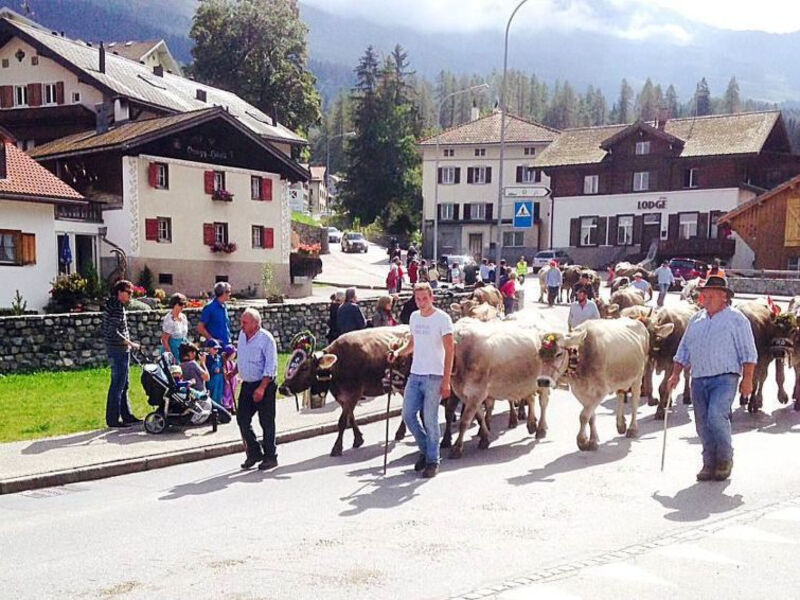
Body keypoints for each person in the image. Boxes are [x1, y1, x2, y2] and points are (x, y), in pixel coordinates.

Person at [667, 275, 757, 482]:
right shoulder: (696, 320)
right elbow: (684, 349)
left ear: (723, 297)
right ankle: (709, 462)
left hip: (725, 377)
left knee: (716, 416)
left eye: (708, 295)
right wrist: (675, 374)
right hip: (698, 378)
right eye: (703, 295)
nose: (704, 299)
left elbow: (748, 352)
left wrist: (748, 379)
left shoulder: (736, 319)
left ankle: (725, 459)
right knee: (702, 424)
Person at [390, 282, 454, 478]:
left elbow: (450, 350)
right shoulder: (415, 317)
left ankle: (432, 461)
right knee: (408, 415)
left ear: (431, 297)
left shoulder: (443, 319)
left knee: (430, 420)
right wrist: (398, 353)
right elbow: (413, 344)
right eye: (418, 299)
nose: (421, 303)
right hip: (416, 374)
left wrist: (446, 381)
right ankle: (427, 449)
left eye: (424, 299)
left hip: (434, 376)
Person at [235, 308, 279, 470]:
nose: (242, 325)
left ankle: (270, 456)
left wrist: (261, 388)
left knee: (266, 421)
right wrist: (234, 370)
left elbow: (271, 366)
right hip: (247, 384)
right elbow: (242, 356)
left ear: (255, 323)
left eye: (245, 322)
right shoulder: (242, 336)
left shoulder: (266, 340)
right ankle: (254, 452)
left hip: (264, 385)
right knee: (242, 419)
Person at [102, 279, 141, 428]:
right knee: (118, 384)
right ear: (120, 292)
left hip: (116, 349)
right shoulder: (117, 308)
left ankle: (126, 415)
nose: (130, 296)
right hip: (118, 350)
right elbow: (113, 332)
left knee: (124, 384)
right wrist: (130, 343)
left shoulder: (112, 305)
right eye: (128, 292)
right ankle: (113, 419)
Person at [198, 282, 232, 346]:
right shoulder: (210, 307)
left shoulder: (224, 306)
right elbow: (200, 328)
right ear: (223, 293)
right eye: (228, 291)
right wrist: (212, 339)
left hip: (226, 344)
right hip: (215, 347)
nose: (230, 294)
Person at [161, 293, 189, 360]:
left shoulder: (183, 317)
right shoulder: (169, 319)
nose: (183, 306)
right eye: (180, 304)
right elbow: (164, 340)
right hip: (173, 350)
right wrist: (171, 356)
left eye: (184, 304)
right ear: (174, 304)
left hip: (182, 349)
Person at [205, 339, 225, 408]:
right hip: (212, 379)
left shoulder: (219, 357)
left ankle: (219, 406)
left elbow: (223, 368)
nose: (216, 350)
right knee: (212, 393)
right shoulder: (206, 358)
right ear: (209, 348)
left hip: (219, 379)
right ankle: (212, 407)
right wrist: (212, 371)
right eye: (214, 349)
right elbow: (205, 368)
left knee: (219, 393)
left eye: (217, 349)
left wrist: (221, 370)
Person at [222, 343, 238, 414]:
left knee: (232, 393)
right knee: (227, 393)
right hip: (229, 381)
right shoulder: (226, 363)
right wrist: (226, 379)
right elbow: (225, 371)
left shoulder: (232, 362)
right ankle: (227, 406)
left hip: (233, 381)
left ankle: (232, 406)